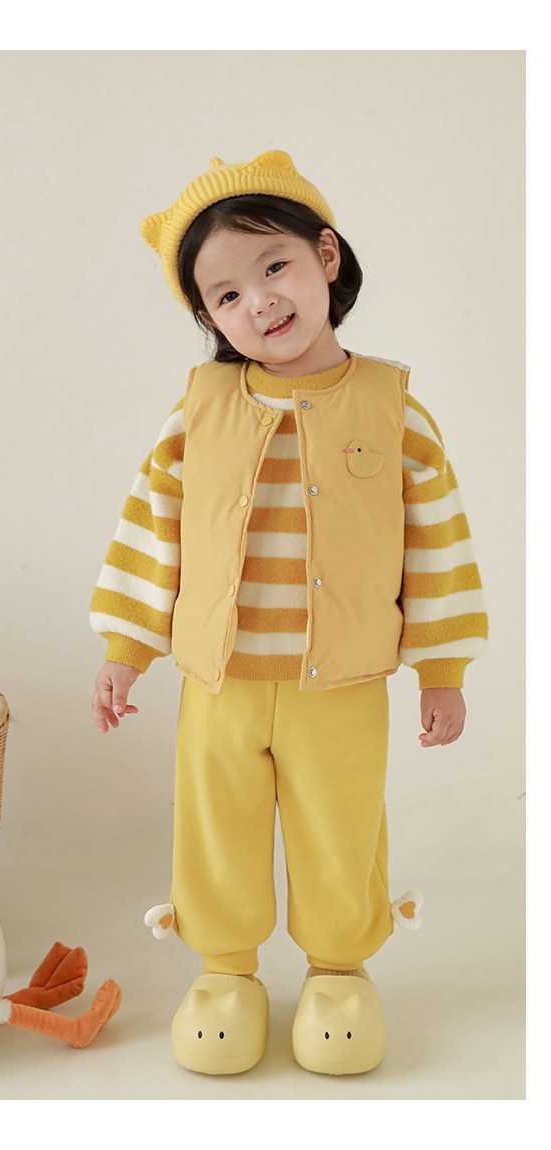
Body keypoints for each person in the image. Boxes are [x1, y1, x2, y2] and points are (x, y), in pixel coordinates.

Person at [89, 151, 488, 1077]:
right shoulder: (199, 410)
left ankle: (338, 974)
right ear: (209, 320)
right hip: (218, 684)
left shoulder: (394, 409)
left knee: (341, 831)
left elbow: (437, 543)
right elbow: (152, 526)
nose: (260, 302)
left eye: (274, 267)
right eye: (226, 295)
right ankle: (225, 974)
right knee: (215, 828)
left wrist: (442, 670)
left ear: (327, 257)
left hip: (340, 686)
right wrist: (125, 647)